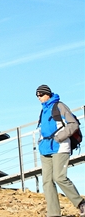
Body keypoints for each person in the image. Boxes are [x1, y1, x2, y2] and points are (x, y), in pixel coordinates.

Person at [36, 84, 85, 217]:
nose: (39, 97)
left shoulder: (59, 106)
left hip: (60, 147)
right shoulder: (43, 110)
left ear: (48, 94)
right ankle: (53, 214)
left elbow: (73, 124)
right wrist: (39, 142)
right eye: (37, 95)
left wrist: (59, 138)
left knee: (59, 177)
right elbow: (42, 129)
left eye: (41, 94)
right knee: (47, 181)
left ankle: (81, 204)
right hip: (45, 149)